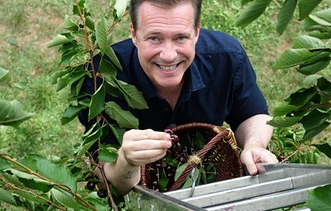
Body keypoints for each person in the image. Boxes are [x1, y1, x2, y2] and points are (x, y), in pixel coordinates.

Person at [78, 0, 278, 195]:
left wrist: (254, 145)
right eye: (154, 38)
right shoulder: (100, 77)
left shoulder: (228, 58)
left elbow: (252, 115)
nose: (168, 55)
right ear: (134, 34)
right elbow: (107, 185)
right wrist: (125, 161)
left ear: (197, 33)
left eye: (180, 37)